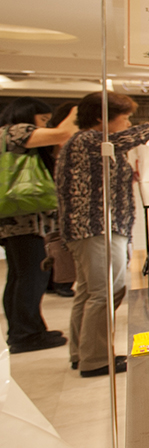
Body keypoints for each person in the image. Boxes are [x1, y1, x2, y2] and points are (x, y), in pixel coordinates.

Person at [56, 92, 149, 377]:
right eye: (124, 117)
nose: (128, 123)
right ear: (102, 118)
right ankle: (96, 359)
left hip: (90, 228)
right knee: (105, 293)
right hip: (96, 227)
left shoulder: (85, 143)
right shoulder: (89, 140)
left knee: (89, 292)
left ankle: (81, 353)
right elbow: (128, 139)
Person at [0, 97, 77, 353]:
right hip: (25, 217)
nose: (45, 125)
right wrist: (75, 112)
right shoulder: (17, 131)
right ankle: (26, 334)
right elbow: (63, 134)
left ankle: (25, 329)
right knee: (32, 275)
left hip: (18, 216)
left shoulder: (8, 135)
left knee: (20, 275)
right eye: (43, 120)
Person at [42, 100, 79, 298]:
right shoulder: (55, 140)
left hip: (52, 200)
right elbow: (63, 136)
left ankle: (57, 280)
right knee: (58, 239)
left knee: (55, 238)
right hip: (51, 201)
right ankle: (60, 279)